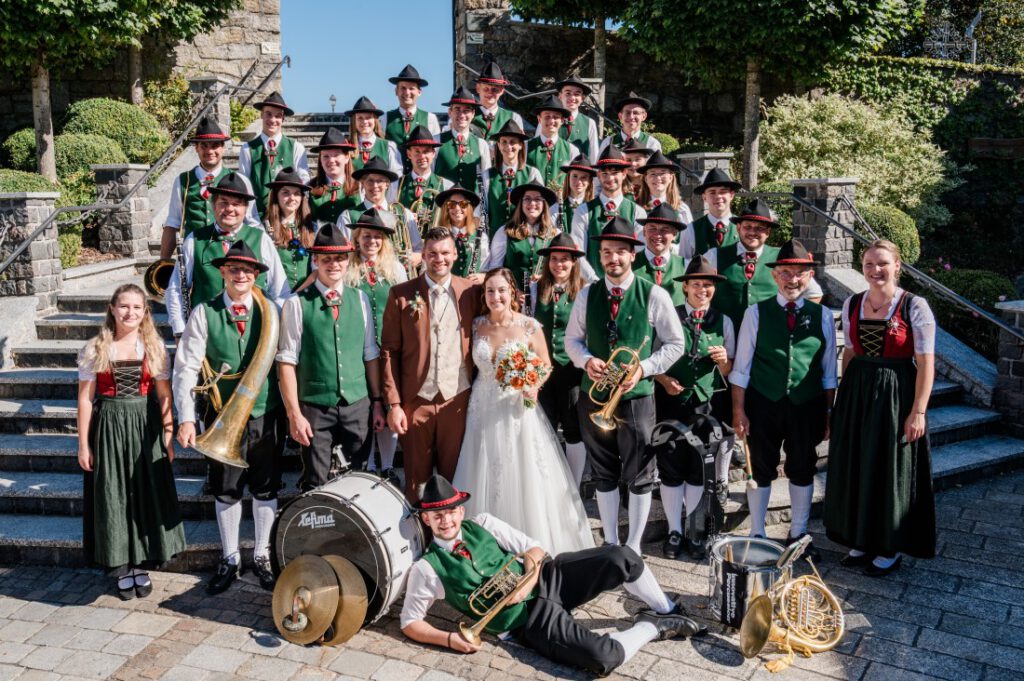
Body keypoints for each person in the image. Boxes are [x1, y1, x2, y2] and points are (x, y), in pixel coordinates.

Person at [401, 475, 704, 677]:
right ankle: (653, 625)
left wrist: (526, 583)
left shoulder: (483, 522)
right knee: (603, 658)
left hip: (547, 578)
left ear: (461, 512)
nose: (446, 520)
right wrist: (450, 639)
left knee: (621, 556)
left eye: (451, 512)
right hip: (527, 622)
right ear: (425, 519)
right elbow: (410, 622)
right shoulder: (426, 568)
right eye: (437, 516)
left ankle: (667, 608)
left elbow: (534, 549)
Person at [565, 217, 686, 554]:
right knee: (603, 470)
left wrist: (644, 368)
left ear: (633, 255)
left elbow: (676, 344)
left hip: (636, 398)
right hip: (595, 396)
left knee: (641, 472)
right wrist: (586, 360)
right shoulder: (587, 294)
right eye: (606, 252)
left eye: (620, 252)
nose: (613, 258)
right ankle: (610, 540)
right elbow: (572, 340)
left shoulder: (654, 294)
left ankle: (633, 544)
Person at [452, 268, 593, 554]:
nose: (496, 296)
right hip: (482, 406)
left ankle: (529, 546)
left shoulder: (529, 326)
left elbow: (545, 364)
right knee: (481, 467)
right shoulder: (476, 325)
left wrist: (533, 386)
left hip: (516, 408)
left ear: (513, 293)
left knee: (522, 470)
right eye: (490, 291)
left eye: (502, 290)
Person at [173, 240, 284, 593]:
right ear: (222, 272)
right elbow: (186, 367)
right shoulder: (204, 312)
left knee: (266, 487)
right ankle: (230, 557)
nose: (241, 275)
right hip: (221, 413)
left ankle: (262, 555)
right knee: (226, 489)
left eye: (247, 270)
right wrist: (186, 418)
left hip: (265, 411)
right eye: (234, 269)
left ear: (256, 275)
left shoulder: (271, 310)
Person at [824, 239, 936, 576]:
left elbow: (926, 362)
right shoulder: (853, 303)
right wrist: (843, 396)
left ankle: (888, 545)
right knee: (857, 462)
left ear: (897, 266)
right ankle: (859, 538)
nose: (876, 270)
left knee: (889, 466)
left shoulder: (914, 306)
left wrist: (918, 411)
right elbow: (850, 351)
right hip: (858, 391)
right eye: (869, 264)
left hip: (896, 392)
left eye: (883, 263)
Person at [730, 240, 837, 561]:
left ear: (810, 277)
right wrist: (738, 410)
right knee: (760, 467)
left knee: (802, 466)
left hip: (807, 403)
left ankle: (799, 532)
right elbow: (741, 368)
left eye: (800, 273)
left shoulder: (822, 316)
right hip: (764, 402)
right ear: (775, 275)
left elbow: (828, 371)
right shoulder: (755, 313)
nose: (793, 279)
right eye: (786, 273)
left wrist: (828, 413)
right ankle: (757, 533)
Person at [77, 284, 184, 600]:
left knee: (145, 493)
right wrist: (83, 444)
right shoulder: (95, 348)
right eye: (124, 306)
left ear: (145, 312)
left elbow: (164, 395)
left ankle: (141, 563)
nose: (130, 313)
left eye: (137, 307)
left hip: (144, 425)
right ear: (112, 309)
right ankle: (122, 567)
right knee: (115, 495)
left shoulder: (154, 347)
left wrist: (168, 434)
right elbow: (85, 400)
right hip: (109, 426)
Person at [277, 223, 385, 489]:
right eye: (326, 259)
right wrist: (294, 414)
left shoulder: (360, 299)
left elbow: (370, 354)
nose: (333, 264)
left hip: (357, 403)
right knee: (316, 481)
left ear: (348, 261)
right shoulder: (296, 303)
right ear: (315, 261)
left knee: (359, 479)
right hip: (314, 406)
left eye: (339, 258)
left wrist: (377, 402)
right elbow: (287, 362)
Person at [381, 228, 482, 501]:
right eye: (433, 253)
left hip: (457, 398)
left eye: (445, 253)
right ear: (423, 255)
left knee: (455, 479)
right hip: (416, 401)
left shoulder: (471, 291)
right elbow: (389, 351)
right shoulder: (401, 294)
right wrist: (394, 404)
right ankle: (417, 527)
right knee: (416, 482)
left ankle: (452, 527)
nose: (440, 259)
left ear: (455, 254)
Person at [654, 257, 736, 560]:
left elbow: (728, 371)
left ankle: (693, 529)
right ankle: (674, 530)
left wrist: (723, 361)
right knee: (671, 468)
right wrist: (664, 380)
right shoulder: (669, 316)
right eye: (697, 284)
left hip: (707, 406)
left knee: (698, 469)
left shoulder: (724, 321)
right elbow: (653, 360)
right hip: (671, 403)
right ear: (685, 287)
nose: (703, 289)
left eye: (708, 285)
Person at [165, 172, 290, 338]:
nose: (230, 209)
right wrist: (180, 330)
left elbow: (280, 290)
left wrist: (274, 333)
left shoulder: (261, 239)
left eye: (237, 204)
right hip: (206, 334)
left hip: (255, 334)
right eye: (223, 203)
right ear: (214, 206)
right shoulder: (194, 239)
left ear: (246, 209)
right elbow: (175, 289)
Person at [344, 209, 408, 483]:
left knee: (389, 400)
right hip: (356, 347)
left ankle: (388, 465)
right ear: (357, 239)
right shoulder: (346, 268)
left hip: (388, 346)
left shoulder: (395, 269)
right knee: (366, 407)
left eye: (377, 237)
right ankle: (368, 464)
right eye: (366, 236)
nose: (371, 241)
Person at [159, 116, 259, 260]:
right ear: (196, 148)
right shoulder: (183, 181)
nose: (209, 151)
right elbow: (173, 223)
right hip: (194, 256)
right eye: (204, 146)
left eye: (215, 145)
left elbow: (252, 221)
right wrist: (163, 262)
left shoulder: (241, 181)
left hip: (231, 255)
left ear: (223, 148)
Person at [532, 233, 589, 488]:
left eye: (564, 259)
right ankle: (548, 486)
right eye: (554, 259)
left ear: (573, 262)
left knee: (573, 427)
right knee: (545, 427)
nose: (559, 264)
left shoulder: (585, 290)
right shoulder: (535, 288)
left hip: (572, 370)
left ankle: (574, 485)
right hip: (543, 370)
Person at [570, 145, 647, 279]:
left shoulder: (637, 212)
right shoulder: (583, 211)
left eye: (615, 173)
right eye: (605, 173)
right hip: (593, 284)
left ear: (624, 174)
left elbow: (640, 252)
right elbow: (579, 253)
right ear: (598, 175)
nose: (610, 178)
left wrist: (624, 282)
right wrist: (595, 282)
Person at [338, 156, 422, 273]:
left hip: (400, 276)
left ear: (387, 183)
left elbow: (419, 250)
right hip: (362, 276)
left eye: (380, 181)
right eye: (370, 181)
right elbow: (342, 253)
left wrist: (416, 257)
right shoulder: (348, 216)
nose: (375, 186)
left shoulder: (404, 214)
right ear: (362, 183)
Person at [237, 91, 310, 218]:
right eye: (268, 114)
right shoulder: (247, 149)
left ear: (283, 118)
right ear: (261, 114)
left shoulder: (296, 148)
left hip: (288, 218)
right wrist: (252, 220)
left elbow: (304, 182)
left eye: (278, 116)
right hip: (257, 217)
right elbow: (244, 187)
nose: (272, 120)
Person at [483, 182, 560, 290]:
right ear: (521, 203)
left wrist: (545, 278)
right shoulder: (504, 232)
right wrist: (513, 291)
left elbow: (560, 271)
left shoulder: (555, 234)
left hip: (544, 295)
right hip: (513, 296)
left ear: (544, 204)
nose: (532, 203)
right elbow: (495, 269)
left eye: (538, 199)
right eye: (527, 199)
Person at [484, 119, 543, 238]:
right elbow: (483, 210)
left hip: (524, 237)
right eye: (504, 142)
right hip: (495, 238)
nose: (508, 146)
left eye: (513, 142)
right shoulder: (487, 175)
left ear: (521, 145)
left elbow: (540, 208)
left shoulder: (532, 173)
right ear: (498, 145)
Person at [380, 64, 441, 173]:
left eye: (411, 88)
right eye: (403, 88)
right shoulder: (384, 118)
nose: (407, 93)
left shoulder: (430, 119)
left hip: (422, 178)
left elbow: (435, 154)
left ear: (419, 92)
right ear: (396, 91)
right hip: (394, 179)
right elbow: (381, 151)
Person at [265, 167, 314, 291]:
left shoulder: (312, 227)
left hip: (306, 294)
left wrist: (299, 293)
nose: (292, 198)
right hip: (277, 295)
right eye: (285, 193)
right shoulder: (265, 228)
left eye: (297, 193)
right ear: (276, 196)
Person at [434, 86, 490, 197]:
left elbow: (486, 182)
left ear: (473, 114)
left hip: (472, 204)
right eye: (457, 109)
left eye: (466, 110)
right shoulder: (436, 140)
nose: (462, 115)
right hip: (443, 203)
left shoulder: (481, 144)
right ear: (450, 112)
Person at [679, 167, 741, 261]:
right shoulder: (690, 230)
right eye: (712, 192)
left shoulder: (743, 227)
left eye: (723, 192)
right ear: (704, 197)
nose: (718, 196)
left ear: (731, 195)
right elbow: (684, 264)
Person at [633, 203, 688, 306]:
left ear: (675, 234)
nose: (657, 235)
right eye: (652, 228)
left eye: (664, 229)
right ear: (644, 232)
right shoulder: (630, 264)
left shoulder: (685, 266)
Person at [394, 125, 452, 220]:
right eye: (417, 151)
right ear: (409, 154)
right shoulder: (396, 185)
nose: (422, 156)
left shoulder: (447, 186)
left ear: (433, 153)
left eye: (426, 151)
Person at [526, 95, 580, 196]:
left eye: (556, 117)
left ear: (562, 120)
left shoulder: (572, 150)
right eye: (547, 117)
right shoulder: (525, 147)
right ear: (539, 119)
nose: (551, 121)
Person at [434, 184, 488, 283]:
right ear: (446, 208)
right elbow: (426, 268)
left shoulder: (481, 237)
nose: (457, 208)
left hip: (472, 289)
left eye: (463, 204)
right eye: (452, 204)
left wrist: (483, 276)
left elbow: (488, 266)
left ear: (469, 208)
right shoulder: (436, 237)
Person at [308, 127, 360, 226]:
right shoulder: (310, 187)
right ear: (320, 160)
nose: (331, 160)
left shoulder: (360, 186)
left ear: (347, 157)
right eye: (326, 156)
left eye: (336, 155)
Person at [346, 96, 403, 178]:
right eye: (360, 118)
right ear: (354, 121)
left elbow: (396, 177)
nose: (364, 121)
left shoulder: (388, 147)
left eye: (368, 117)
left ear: (375, 120)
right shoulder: (347, 147)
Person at [637, 151, 694, 226]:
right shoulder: (636, 208)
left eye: (662, 173)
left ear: (670, 177)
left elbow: (689, 233)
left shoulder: (682, 209)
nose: (658, 178)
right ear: (646, 178)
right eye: (653, 173)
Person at [552, 75, 600, 163]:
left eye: (577, 94)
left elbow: (594, 155)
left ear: (582, 98)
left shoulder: (590, 123)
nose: (572, 98)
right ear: (560, 96)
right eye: (568, 93)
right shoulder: (548, 121)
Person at [471, 60, 524, 139]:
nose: (490, 93)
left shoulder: (514, 118)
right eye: (486, 89)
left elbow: (519, 144)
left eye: (495, 90)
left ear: (502, 91)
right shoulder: (466, 115)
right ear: (478, 88)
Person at [554, 154, 596, 234]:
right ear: (568, 178)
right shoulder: (555, 209)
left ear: (589, 181)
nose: (578, 181)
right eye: (575, 176)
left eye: (584, 177)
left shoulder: (595, 210)